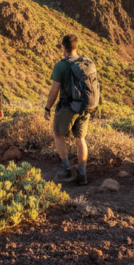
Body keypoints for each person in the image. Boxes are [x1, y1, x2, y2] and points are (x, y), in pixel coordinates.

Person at [43, 34, 90, 186]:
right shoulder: (87, 61)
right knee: (80, 138)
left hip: (68, 106)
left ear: (63, 47)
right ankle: (82, 174)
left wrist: (47, 108)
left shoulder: (61, 65)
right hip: (85, 106)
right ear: (76, 46)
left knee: (58, 134)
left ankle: (67, 169)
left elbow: (54, 91)